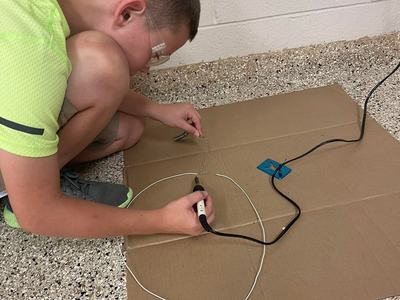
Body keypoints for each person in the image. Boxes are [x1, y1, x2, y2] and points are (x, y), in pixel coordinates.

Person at [0, 0, 215, 238]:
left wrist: (155, 109)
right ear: (127, 13)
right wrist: (163, 221)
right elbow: (35, 213)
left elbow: (90, 83)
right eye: (156, 55)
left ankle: (38, 172)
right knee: (103, 63)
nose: (147, 68)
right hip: (27, 200)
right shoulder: (31, 49)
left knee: (129, 128)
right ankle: (22, 185)